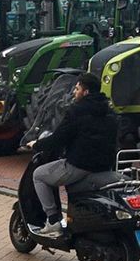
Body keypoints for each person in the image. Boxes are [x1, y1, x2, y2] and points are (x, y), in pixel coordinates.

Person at [27, 72, 118, 237]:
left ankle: (53, 220)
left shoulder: (77, 111)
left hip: (80, 166)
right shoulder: (109, 111)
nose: (74, 92)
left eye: (77, 89)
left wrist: (37, 145)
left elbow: (59, 138)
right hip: (104, 166)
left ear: (86, 92)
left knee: (39, 175)